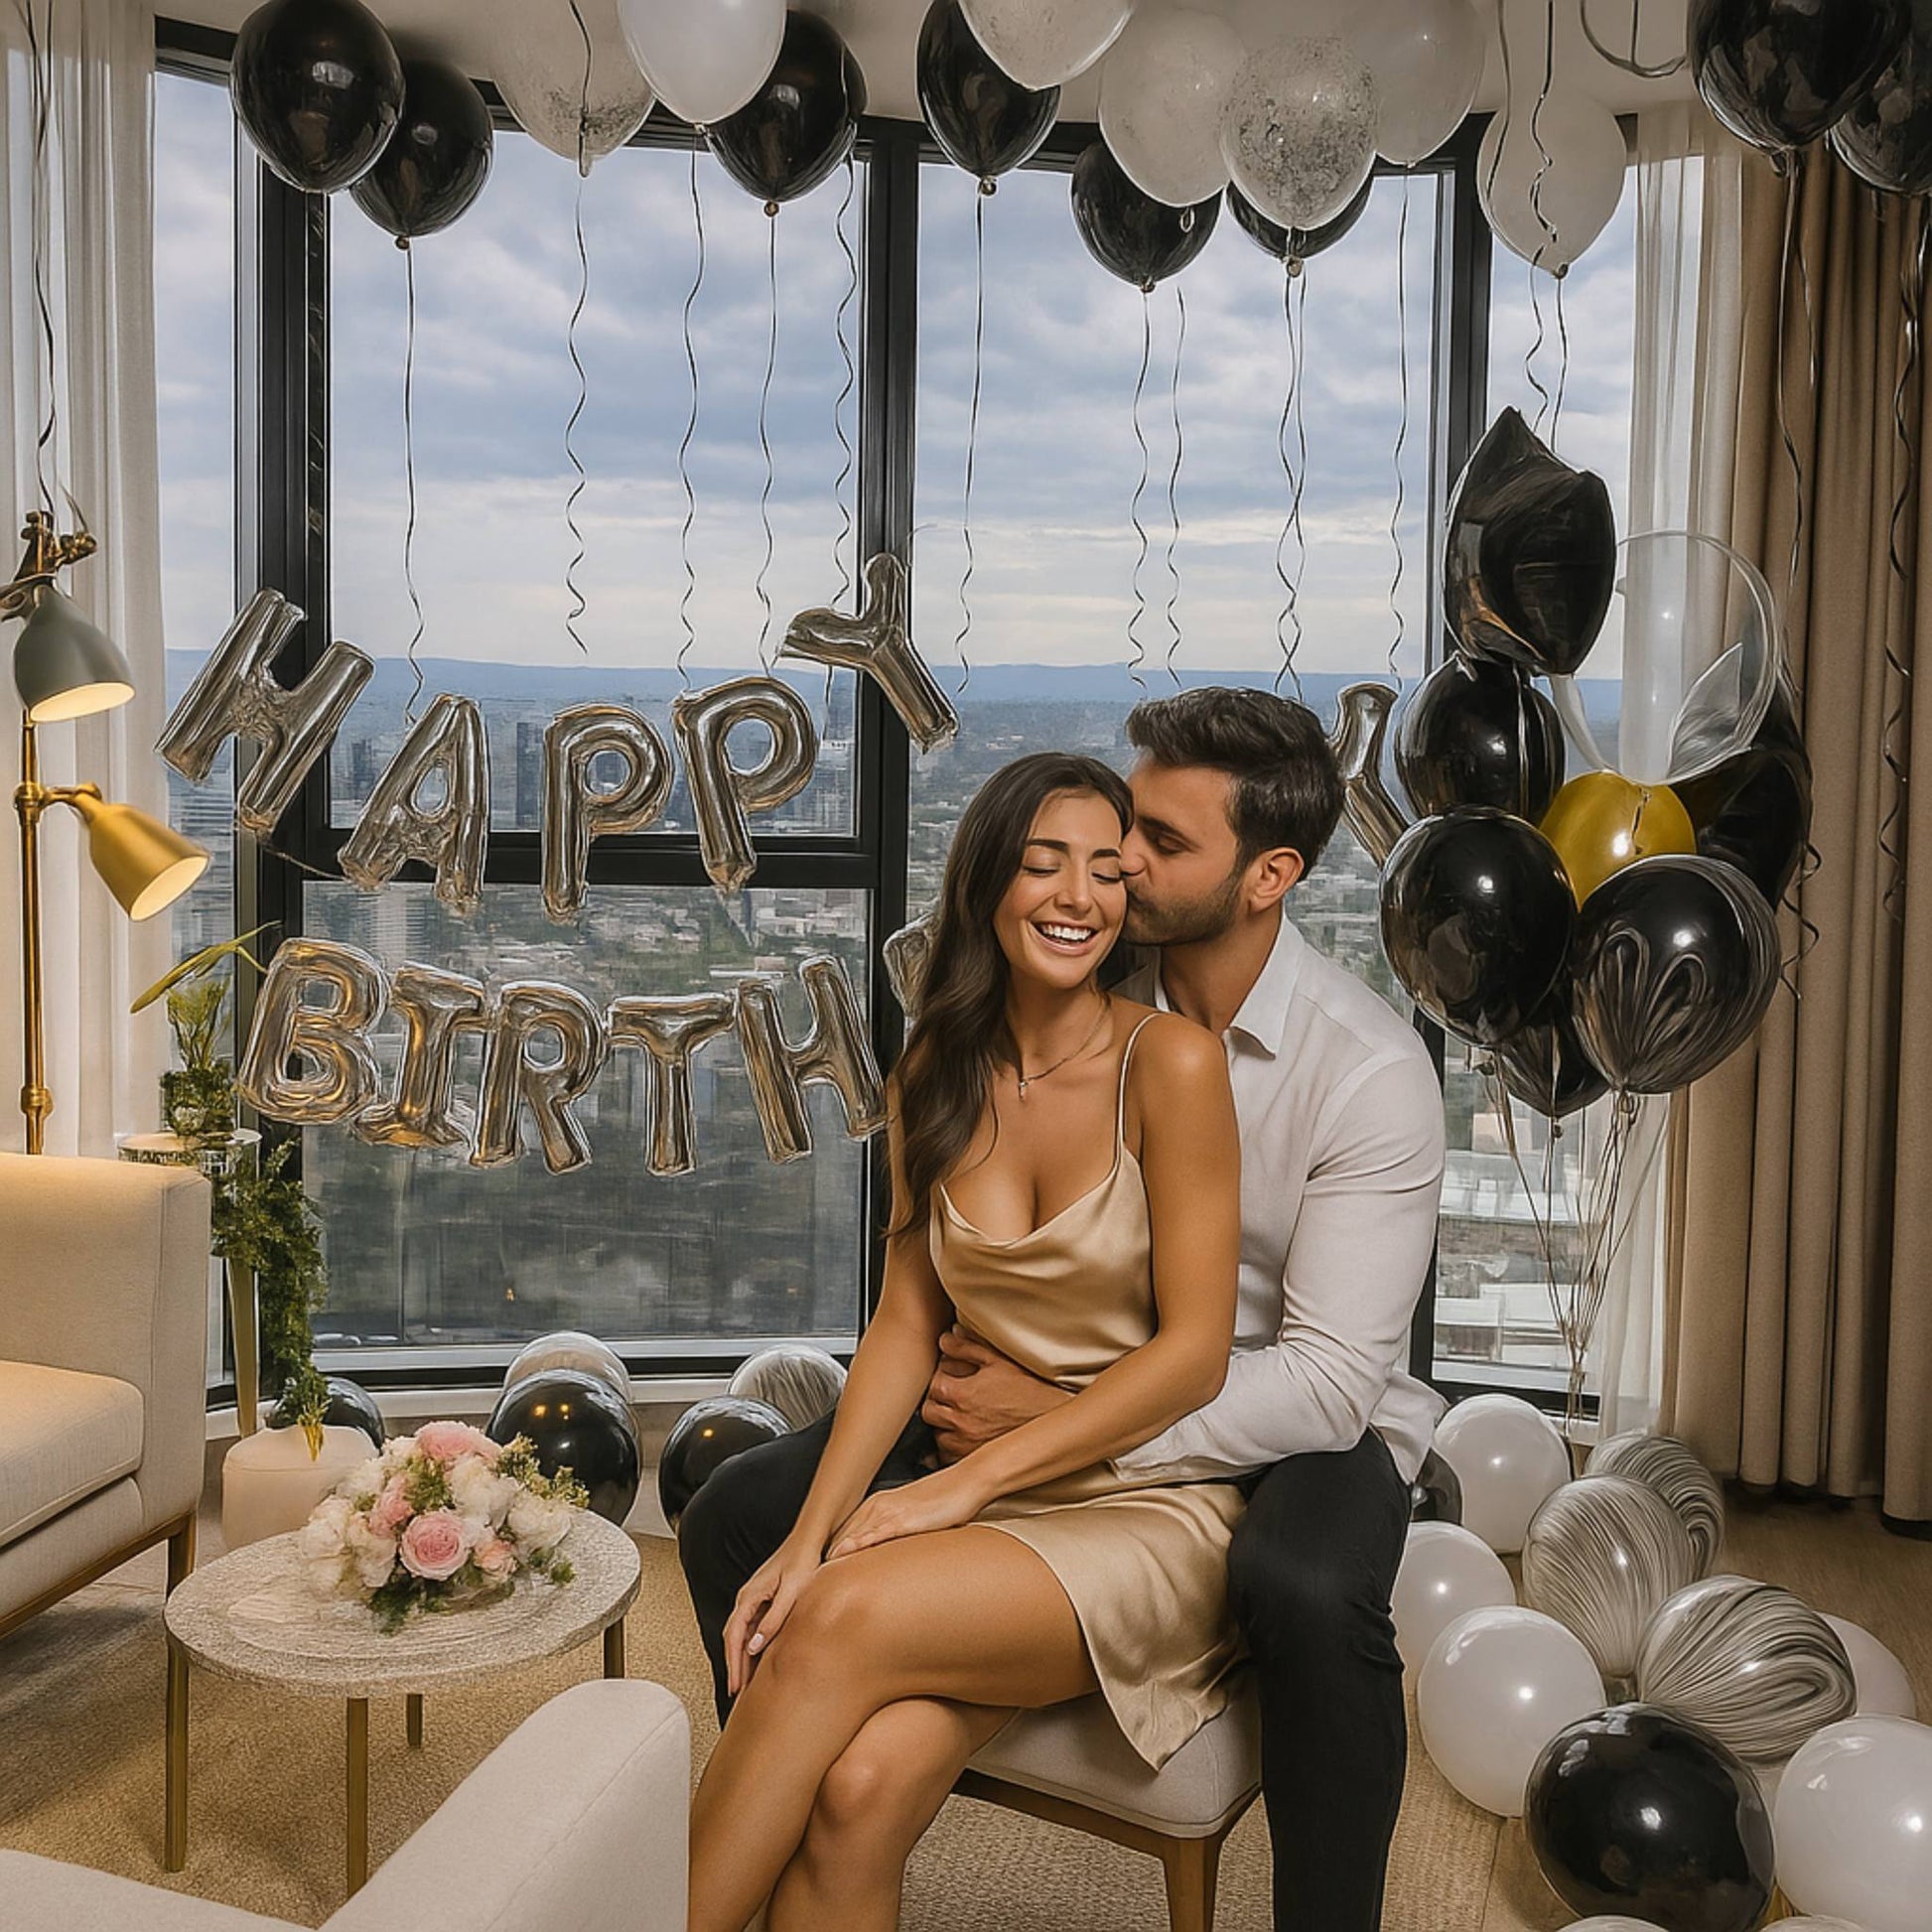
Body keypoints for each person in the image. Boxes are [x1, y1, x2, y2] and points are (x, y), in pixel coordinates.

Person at [682, 689, 1448, 1932]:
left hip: (1287, 1416)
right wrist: (928, 1464)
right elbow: (910, 1310)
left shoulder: (1360, 1067)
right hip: (1046, 1388)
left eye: (1151, 845)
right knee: (745, 1531)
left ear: (1268, 877)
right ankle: (804, 1768)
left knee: (1303, 1586)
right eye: (1100, 839)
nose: (1116, 872)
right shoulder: (1042, 985)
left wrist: (1032, 1433)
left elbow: (1314, 1379)